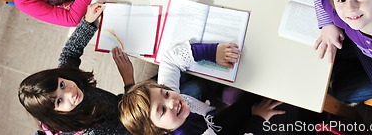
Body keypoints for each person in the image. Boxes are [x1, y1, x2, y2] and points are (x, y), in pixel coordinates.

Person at [119, 40, 322, 135]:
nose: (171, 101)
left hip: (218, 122)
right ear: (157, 131)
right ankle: (317, 123)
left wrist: (212, 51)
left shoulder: (174, 101)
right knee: (281, 112)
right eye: (162, 110)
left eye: (165, 93)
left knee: (262, 96)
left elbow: (170, 58)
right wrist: (258, 120)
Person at [19, 3, 134, 134]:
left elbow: (70, 52)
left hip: (122, 105)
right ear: (55, 114)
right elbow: (132, 125)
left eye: (62, 85)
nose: (70, 93)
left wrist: (88, 22)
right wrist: (129, 82)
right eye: (59, 101)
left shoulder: (66, 77)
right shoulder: (90, 131)